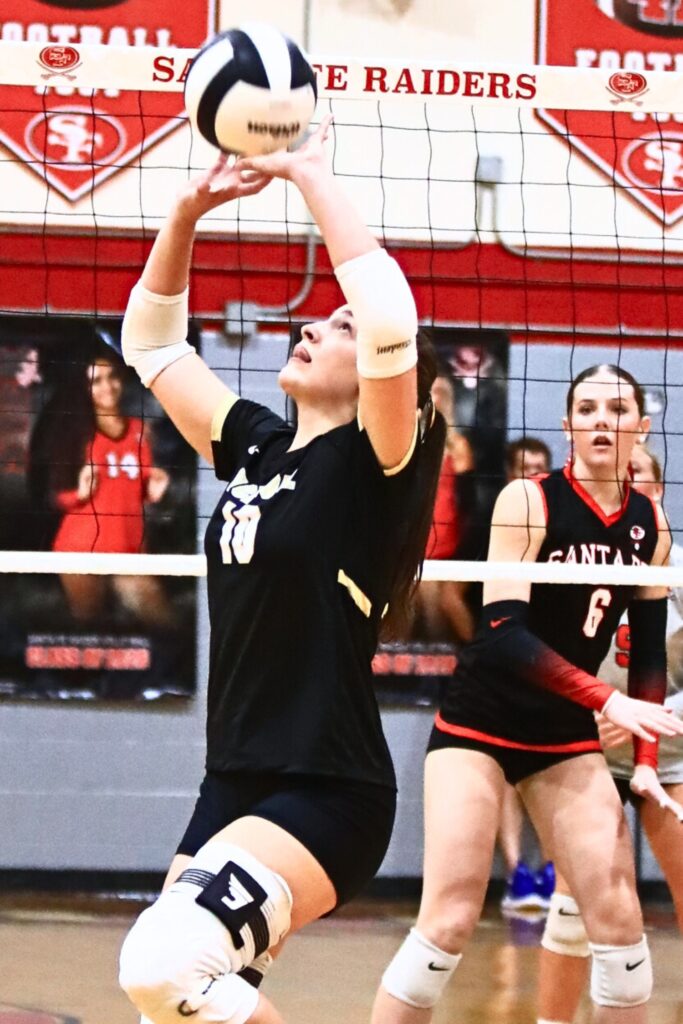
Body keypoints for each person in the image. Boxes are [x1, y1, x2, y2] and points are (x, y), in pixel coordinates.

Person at [117, 114, 446, 1024]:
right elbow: (154, 348)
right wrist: (186, 212)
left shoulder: (374, 465)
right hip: (234, 775)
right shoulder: (259, 447)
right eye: (322, 319)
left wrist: (308, 175)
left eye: (338, 327)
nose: (311, 324)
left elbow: (389, 319)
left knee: (162, 967)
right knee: (171, 1007)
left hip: (327, 788)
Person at [372, 364, 683, 1024]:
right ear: (567, 426)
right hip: (481, 722)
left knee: (619, 919)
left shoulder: (649, 524)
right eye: (587, 409)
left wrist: (646, 762)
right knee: (449, 920)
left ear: (641, 427)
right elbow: (503, 632)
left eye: (617, 409)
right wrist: (606, 701)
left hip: (562, 735)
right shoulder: (528, 499)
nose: (601, 421)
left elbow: (651, 653)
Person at [536, 444, 683, 1024]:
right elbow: (534, 653)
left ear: (659, 493)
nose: (626, 483)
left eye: (638, 475)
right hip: (585, 748)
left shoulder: (674, 570)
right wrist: (590, 708)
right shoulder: (567, 558)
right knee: (572, 901)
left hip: (669, 752)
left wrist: (648, 713)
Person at [37, 349, 173, 627]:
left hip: (129, 547)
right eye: (96, 380)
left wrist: (152, 493)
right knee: (89, 627)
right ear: (84, 388)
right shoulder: (76, 431)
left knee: (163, 624)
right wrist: (80, 494)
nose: (107, 386)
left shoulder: (140, 430)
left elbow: (132, 489)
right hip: (81, 548)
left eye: (112, 377)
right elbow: (55, 496)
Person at [499, 435, 555, 916]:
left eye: (539, 465)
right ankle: (518, 873)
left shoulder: (559, 516)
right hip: (504, 663)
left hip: (556, 664)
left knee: (554, 768)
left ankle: (556, 868)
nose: (533, 472)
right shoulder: (498, 520)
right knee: (506, 774)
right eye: (524, 465)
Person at [413, 373, 475, 644]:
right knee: (407, 602)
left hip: (448, 539)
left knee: (437, 605)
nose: (437, 398)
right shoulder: (407, 439)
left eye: (443, 393)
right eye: (432, 392)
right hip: (414, 536)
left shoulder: (458, 445)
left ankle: (462, 658)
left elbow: (469, 501)